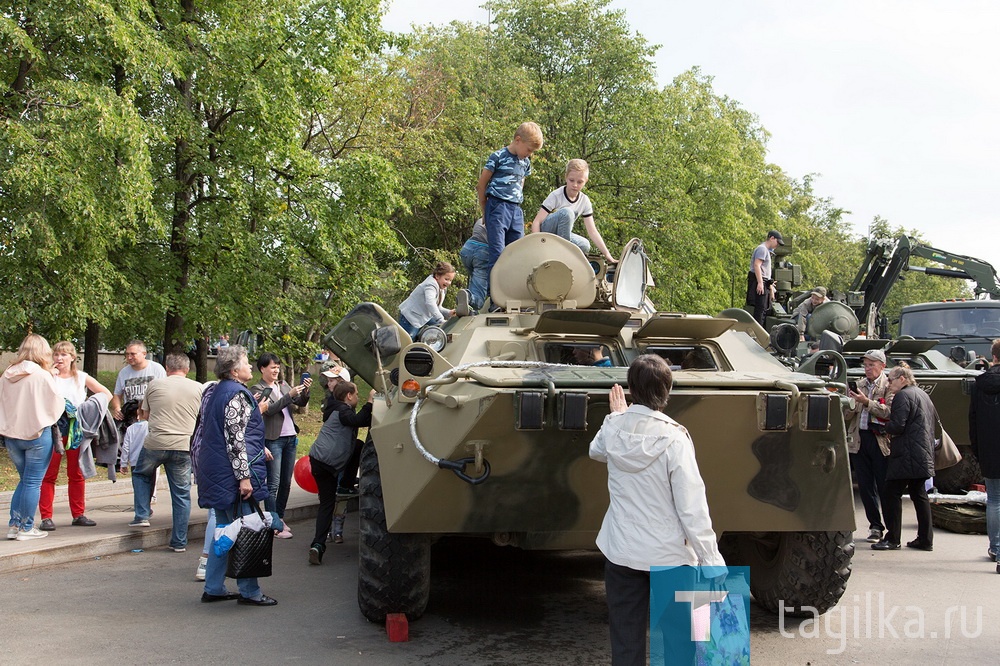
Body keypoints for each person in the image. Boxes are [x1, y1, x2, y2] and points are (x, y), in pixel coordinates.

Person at [589, 354, 726, 666]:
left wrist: (616, 416)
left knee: (625, 643)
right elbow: (692, 507)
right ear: (668, 389)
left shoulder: (613, 428)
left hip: (622, 552)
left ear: (630, 389)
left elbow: (596, 451)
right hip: (671, 556)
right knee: (680, 646)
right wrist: (711, 558)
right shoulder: (675, 438)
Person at [195, 345, 277, 606]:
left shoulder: (214, 391)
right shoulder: (238, 395)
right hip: (233, 475)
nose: (250, 366)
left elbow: (214, 432)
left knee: (223, 533)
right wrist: (244, 477)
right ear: (234, 370)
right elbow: (235, 439)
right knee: (247, 530)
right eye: (246, 363)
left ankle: (214, 587)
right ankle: (250, 591)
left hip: (216, 471)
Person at [129, 354, 204, 554]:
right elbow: (201, 416)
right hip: (183, 445)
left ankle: (142, 515)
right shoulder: (198, 388)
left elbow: (144, 415)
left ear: (167, 368)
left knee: (140, 473)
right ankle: (179, 542)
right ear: (187, 369)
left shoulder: (154, 385)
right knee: (181, 494)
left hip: (156, 442)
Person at [38, 341, 111, 530]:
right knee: (49, 473)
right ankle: (46, 517)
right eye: (56, 355)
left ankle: (78, 514)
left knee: (76, 473)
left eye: (63, 355)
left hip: (75, 429)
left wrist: (89, 409)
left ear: (72, 357)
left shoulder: (81, 377)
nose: (59, 358)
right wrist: (49, 375)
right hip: (52, 428)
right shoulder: (47, 376)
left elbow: (106, 394)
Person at [1, 334, 65, 541]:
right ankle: (27, 528)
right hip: (37, 433)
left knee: (24, 481)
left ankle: (14, 525)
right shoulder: (42, 375)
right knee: (32, 483)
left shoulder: (7, 374)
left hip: (11, 435)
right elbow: (56, 405)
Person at [308, 381, 374, 563]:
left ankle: (318, 545)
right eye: (357, 395)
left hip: (317, 460)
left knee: (326, 505)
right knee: (359, 446)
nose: (358, 397)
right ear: (349, 396)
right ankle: (345, 485)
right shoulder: (343, 410)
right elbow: (357, 421)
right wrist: (369, 403)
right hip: (328, 462)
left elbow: (362, 420)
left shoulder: (333, 408)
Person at [872, 365, 935, 552]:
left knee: (891, 493)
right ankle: (925, 539)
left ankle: (892, 538)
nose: (889, 383)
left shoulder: (902, 396)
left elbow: (898, 425)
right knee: (919, 494)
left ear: (902, 379)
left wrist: (883, 428)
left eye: (891, 379)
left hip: (906, 453)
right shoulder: (922, 394)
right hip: (922, 452)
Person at [250, 352, 311, 539]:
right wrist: (289, 396)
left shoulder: (283, 385)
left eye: (278, 367)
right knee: (273, 484)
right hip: (273, 439)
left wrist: (305, 392)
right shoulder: (258, 388)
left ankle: (281, 517)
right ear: (262, 369)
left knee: (286, 482)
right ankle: (273, 523)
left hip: (290, 437)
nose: (276, 370)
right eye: (272, 367)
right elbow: (270, 410)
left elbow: (299, 402)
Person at [477, 121, 544, 285]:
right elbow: (481, 185)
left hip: (515, 210)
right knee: (498, 253)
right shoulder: (498, 157)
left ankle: (514, 293)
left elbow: (521, 182)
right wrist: (485, 210)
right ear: (518, 140)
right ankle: (495, 299)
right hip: (497, 206)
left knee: (517, 253)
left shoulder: (525, 162)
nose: (529, 154)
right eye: (529, 150)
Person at [845, 349, 893, 543]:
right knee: (865, 486)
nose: (867, 369)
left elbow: (889, 412)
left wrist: (867, 402)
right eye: (865, 365)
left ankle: (892, 528)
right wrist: (850, 403)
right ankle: (875, 526)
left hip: (880, 440)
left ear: (882, 365)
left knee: (884, 486)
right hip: (859, 439)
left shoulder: (889, 385)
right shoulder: (860, 385)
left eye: (871, 365)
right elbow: (848, 415)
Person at [530, 159, 616, 263]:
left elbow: (592, 231)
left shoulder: (584, 201)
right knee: (567, 212)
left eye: (580, 182)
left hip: (563, 236)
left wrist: (607, 255)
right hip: (547, 232)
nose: (575, 185)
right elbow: (537, 222)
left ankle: (563, 253)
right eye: (571, 180)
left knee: (585, 245)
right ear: (566, 177)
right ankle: (563, 256)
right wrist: (538, 246)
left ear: (586, 181)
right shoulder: (556, 195)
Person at [969, 338, 1000, 573]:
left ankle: (996, 547)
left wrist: (978, 449)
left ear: (993, 357)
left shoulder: (980, 384)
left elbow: (973, 420)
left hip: (990, 449)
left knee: (994, 500)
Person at [398, 262, 457, 339]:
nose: (448, 283)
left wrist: (448, 312)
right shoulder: (430, 285)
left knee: (442, 329)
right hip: (411, 318)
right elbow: (430, 303)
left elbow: (437, 307)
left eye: (450, 280)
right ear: (437, 276)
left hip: (423, 317)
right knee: (407, 341)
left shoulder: (442, 288)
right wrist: (440, 319)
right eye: (446, 279)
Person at [111, 340, 166, 421]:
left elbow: (164, 392)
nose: (129, 357)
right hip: (131, 418)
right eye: (127, 354)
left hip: (152, 417)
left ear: (144, 354)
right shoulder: (123, 373)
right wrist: (117, 408)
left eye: (133, 354)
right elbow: (117, 395)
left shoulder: (157, 369)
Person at [746, 230, 784, 327]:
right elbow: (757, 265)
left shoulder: (767, 251)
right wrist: (760, 283)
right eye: (777, 242)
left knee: (763, 310)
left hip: (764, 281)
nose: (777, 245)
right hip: (758, 280)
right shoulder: (762, 249)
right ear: (772, 238)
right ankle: (757, 333)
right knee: (760, 310)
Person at [457, 218, 490, 315]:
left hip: (467, 249)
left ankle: (468, 307)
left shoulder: (482, 219)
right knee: (479, 300)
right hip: (482, 252)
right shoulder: (500, 218)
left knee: (475, 282)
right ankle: (469, 296)